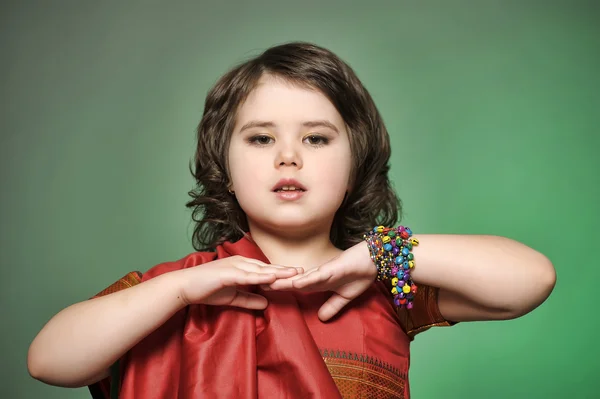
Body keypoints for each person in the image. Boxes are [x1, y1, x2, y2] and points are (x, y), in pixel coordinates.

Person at [27, 41, 556, 399]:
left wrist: (379, 252)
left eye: (316, 138)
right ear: (225, 170)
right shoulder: (173, 291)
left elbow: (529, 281)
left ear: (354, 166)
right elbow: (50, 362)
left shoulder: (386, 286)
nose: (288, 157)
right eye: (261, 138)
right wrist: (182, 291)